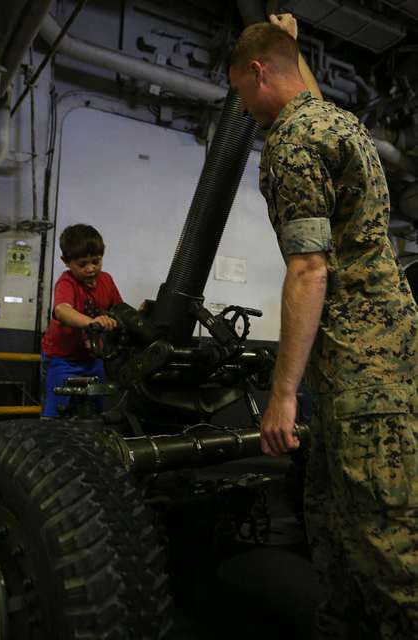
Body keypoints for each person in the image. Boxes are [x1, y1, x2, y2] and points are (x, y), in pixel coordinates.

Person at [229, 13, 418, 640]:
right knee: (335, 531)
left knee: (388, 541)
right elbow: (301, 92)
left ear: (258, 73)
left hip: (365, 371)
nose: (243, 106)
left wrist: (281, 396)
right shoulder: (339, 124)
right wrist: (295, 48)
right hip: (363, 366)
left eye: (240, 90)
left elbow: (309, 268)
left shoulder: (290, 142)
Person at [41, 224, 122, 418]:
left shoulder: (107, 281)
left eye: (96, 261)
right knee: (57, 413)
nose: (90, 268)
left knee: (97, 411)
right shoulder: (67, 282)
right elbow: (62, 310)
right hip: (63, 360)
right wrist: (92, 322)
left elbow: (119, 311)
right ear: (66, 262)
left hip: (93, 360)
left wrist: (136, 315)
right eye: (83, 264)